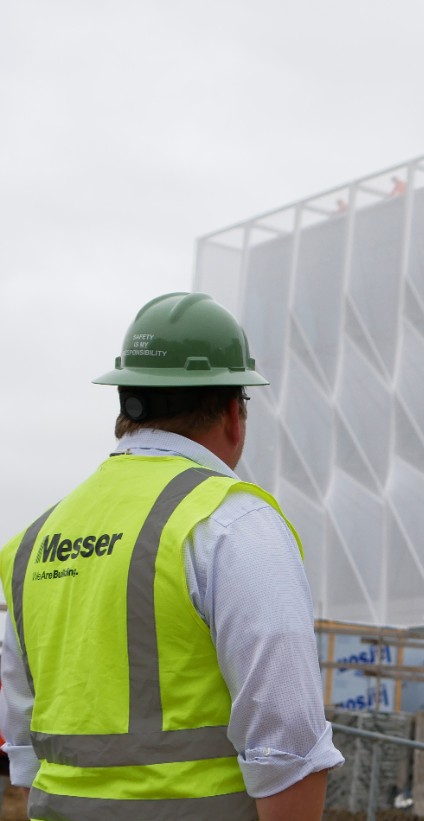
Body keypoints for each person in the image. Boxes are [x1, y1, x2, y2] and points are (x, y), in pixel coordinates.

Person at [0, 292, 344, 820]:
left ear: (126, 408)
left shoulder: (31, 543)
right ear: (233, 414)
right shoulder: (231, 523)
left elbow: (25, 750)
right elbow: (290, 747)